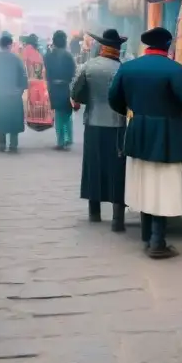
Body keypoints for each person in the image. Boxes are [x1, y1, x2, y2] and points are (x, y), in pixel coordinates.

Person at [108, 27, 182, 259]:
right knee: (163, 184)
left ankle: (148, 236)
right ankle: (157, 241)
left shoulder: (128, 68)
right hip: (167, 131)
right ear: (167, 45)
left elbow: (114, 99)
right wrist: (172, 111)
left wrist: (136, 113)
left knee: (144, 181)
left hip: (138, 129)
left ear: (147, 46)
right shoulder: (174, 69)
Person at [71, 28, 128, 231]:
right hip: (118, 125)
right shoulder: (123, 69)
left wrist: (90, 100)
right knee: (117, 170)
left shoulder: (88, 66)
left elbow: (76, 94)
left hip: (94, 122)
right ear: (118, 49)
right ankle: (117, 219)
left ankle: (94, 212)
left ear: (101, 47)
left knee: (93, 166)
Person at [45, 30, 77, 150]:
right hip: (66, 87)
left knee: (58, 114)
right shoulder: (68, 56)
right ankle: (69, 138)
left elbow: (47, 73)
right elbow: (73, 72)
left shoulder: (49, 55)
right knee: (67, 113)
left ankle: (60, 141)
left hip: (53, 87)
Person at [21, 34, 55, 132]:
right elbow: (39, 66)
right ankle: (39, 119)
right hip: (37, 79)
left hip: (30, 79)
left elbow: (24, 64)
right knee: (39, 99)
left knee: (31, 100)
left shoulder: (26, 50)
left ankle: (32, 118)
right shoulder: (34, 51)